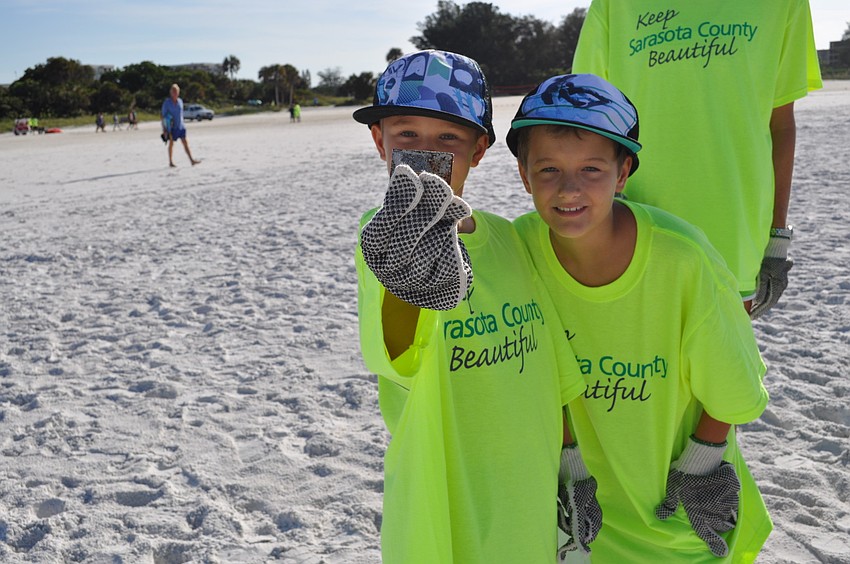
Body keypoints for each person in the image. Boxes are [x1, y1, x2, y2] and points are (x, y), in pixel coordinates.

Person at [508, 74, 770, 562]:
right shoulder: (518, 251)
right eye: (548, 170)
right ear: (523, 174)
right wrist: (568, 463)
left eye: (591, 169)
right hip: (578, 513)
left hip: (675, 511)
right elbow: (539, 370)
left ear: (623, 172)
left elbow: (734, 383)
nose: (569, 189)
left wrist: (701, 462)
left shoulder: (682, 258)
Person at [353, 50, 587, 563]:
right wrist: (405, 290)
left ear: (479, 148)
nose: (426, 151)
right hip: (445, 499)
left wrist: (572, 460)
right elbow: (398, 356)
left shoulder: (510, 239)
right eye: (407, 135)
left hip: (529, 491)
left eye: (448, 139)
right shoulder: (382, 239)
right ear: (380, 141)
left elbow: (551, 362)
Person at [571, 1, 822, 319]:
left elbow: (781, 125)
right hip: (637, 225)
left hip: (735, 232)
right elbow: (592, 118)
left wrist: (777, 239)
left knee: (722, 366)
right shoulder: (613, 5)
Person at [161, 83, 200, 167]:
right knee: (171, 144)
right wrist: (164, 129)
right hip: (171, 127)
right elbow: (163, 116)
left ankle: (191, 160)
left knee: (185, 143)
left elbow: (181, 114)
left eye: (176, 91)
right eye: (173, 91)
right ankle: (170, 162)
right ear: (170, 93)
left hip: (181, 126)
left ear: (178, 92)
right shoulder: (167, 103)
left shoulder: (180, 101)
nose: (175, 93)